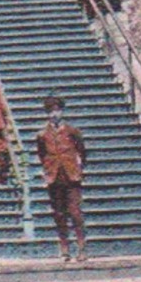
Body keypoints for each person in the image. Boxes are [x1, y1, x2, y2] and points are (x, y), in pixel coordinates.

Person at [36, 94, 87, 263]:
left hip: (71, 176)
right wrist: (48, 170)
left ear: (62, 111)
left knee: (75, 213)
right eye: (51, 111)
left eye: (57, 111)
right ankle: (64, 248)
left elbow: (82, 151)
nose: (54, 114)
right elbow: (42, 154)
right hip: (54, 177)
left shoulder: (72, 131)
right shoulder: (42, 134)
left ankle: (81, 248)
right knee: (59, 214)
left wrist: (78, 168)